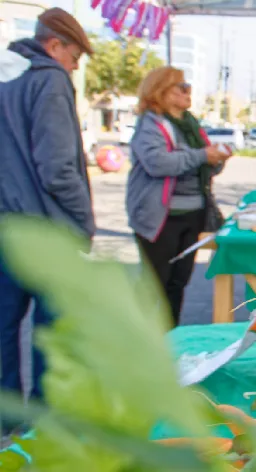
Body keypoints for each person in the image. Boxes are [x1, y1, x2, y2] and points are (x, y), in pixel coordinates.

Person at [0, 8, 95, 414]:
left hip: (7, 225)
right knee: (51, 332)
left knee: (4, 327)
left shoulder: (9, 77)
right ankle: (42, 420)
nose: (74, 68)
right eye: (75, 58)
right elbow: (57, 169)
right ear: (54, 45)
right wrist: (84, 221)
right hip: (44, 229)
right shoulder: (50, 81)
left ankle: (8, 418)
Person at [126, 66, 231, 326]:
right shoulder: (151, 124)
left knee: (178, 284)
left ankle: (170, 342)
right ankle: (132, 346)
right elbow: (157, 163)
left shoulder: (190, 125)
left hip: (192, 215)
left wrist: (217, 159)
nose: (188, 92)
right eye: (182, 87)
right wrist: (203, 156)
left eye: (188, 87)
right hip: (160, 218)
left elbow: (205, 166)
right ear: (161, 91)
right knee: (153, 286)